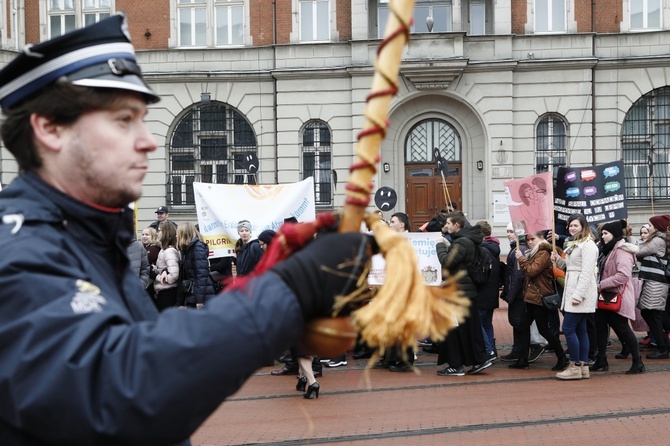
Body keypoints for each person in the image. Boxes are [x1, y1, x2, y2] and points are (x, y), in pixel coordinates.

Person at [0, 15, 373, 445]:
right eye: (124, 120)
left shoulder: (91, 238)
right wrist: (286, 292)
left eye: (143, 119)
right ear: (49, 128)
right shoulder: (19, 249)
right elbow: (116, 392)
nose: (149, 140)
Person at [435, 212, 492, 376]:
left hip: (459, 293)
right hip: (465, 290)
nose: (446, 226)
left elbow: (447, 262)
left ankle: (456, 365)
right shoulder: (466, 240)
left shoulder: (462, 242)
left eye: (448, 223)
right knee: (469, 328)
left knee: (454, 329)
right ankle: (479, 359)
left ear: (457, 225)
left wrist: (440, 245)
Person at [590, 220, 645, 374]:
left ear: (614, 234)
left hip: (617, 296)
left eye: (605, 233)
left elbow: (623, 275)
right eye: (602, 233)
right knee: (600, 327)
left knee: (623, 329)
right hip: (607, 296)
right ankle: (601, 359)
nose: (602, 236)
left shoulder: (622, 251)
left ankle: (637, 361)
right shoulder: (609, 250)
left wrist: (602, 284)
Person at [509, 231, 568, 372]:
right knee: (523, 326)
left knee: (544, 329)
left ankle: (562, 357)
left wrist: (521, 259)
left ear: (541, 238)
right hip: (532, 296)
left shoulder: (542, 253)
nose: (529, 242)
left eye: (532, 239)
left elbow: (531, 271)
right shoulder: (535, 252)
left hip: (539, 296)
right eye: (527, 239)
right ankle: (523, 359)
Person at [552, 213, 598, 380]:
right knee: (580, 329)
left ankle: (575, 365)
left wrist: (578, 295)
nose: (572, 228)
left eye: (575, 225)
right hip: (573, 289)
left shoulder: (588, 245)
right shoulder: (575, 244)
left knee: (569, 328)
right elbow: (569, 267)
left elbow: (587, 272)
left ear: (583, 226)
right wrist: (557, 259)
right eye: (570, 225)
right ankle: (583, 366)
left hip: (581, 292)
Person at [636, 214, 670, 359]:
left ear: (657, 227)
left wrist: (625, 245)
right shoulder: (659, 239)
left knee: (652, 314)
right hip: (653, 281)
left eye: (651, 225)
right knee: (648, 313)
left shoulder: (658, 240)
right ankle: (664, 345)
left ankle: (663, 348)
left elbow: (639, 251)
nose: (649, 227)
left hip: (656, 282)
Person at [499, 223, 528, 362]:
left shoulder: (519, 249)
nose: (509, 234)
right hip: (516, 294)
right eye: (507, 231)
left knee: (519, 323)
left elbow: (518, 276)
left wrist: (510, 295)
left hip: (519, 295)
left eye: (511, 231)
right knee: (517, 323)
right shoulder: (514, 249)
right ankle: (517, 350)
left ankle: (521, 353)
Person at [474, 220, 501, 361]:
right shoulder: (494, 248)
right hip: (492, 293)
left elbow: (480, 274)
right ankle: (491, 351)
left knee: (478, 324)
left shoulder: (482, 250)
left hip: (482, 293)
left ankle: (488, 350)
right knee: (487, 323)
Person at [176, 222, 216, 309]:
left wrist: (199, 300)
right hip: (193, 294)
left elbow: (201, 275)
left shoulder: (197, 247)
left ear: (185, 234)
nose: (176, 236)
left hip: (200, 296)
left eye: (178, 234)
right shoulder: (186, 249)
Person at [153, 221, 181, 311]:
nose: (157, 233)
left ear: (166, 233)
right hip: (163, 292)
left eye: (160, 231)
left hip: (168, 293)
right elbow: (163, 268)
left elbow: (174, 275)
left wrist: (157, 277)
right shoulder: (163, 250)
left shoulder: (169, 251)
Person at [141, 226, 162, 300]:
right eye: (143, 234)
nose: (144, 237)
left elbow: (144, 263)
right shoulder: (146, 248)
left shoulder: (153, 249)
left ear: (153, 236)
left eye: (147, 235)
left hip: (151, 283)